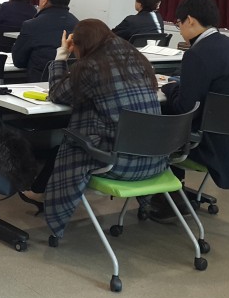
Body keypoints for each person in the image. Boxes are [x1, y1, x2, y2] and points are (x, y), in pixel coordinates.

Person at [44, 20, 164, 239]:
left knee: (71, 145)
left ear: (81, 45)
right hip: (155, 161)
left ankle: (55, 215)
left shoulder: (91, 66)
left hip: (117, 163)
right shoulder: (136, 58)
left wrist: (61, 56)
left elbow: (57, 94)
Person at [158, 0, 229, 220]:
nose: (179, 30)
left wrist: (170, 88)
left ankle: (168, 201)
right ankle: (172, 195)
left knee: (163, 121)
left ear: (190, 20)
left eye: (179, 23)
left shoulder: (197, 54)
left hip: (212, 144)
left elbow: (185, 108)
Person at [11, 0, 79, 82]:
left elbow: (18, 61)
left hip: (38, 84)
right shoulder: (78, 25)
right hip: (70, 84)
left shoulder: (32, 25)